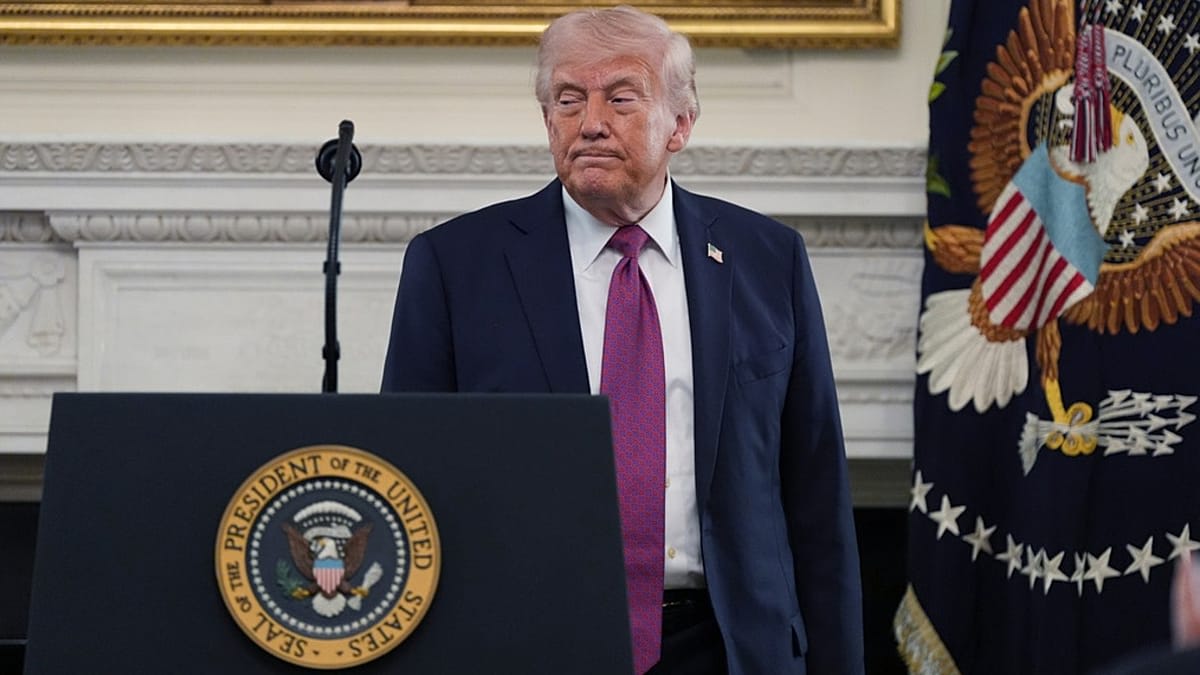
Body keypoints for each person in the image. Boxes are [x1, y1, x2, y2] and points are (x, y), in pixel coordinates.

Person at [381, 5, 864, 674]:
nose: (591, 122)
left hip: (729, 645)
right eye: (568, 100)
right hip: (530, 645)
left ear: (681, 124)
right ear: (547, 120)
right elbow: (409, 485)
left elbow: (816, 495)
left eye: (621, 98)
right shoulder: (456, 266)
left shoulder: (766, 259)